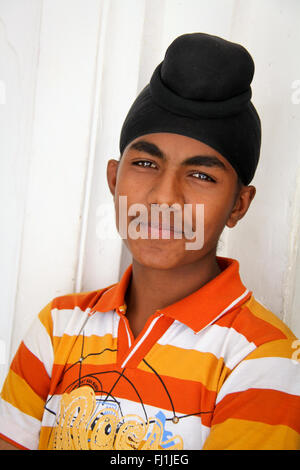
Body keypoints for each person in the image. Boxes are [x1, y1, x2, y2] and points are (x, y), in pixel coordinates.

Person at [1, 32, 300, 451]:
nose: (163, 198)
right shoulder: (57, 328)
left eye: (201, 175)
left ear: (239, 205)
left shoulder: (266, 358)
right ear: (113, 178)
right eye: (144, 163)